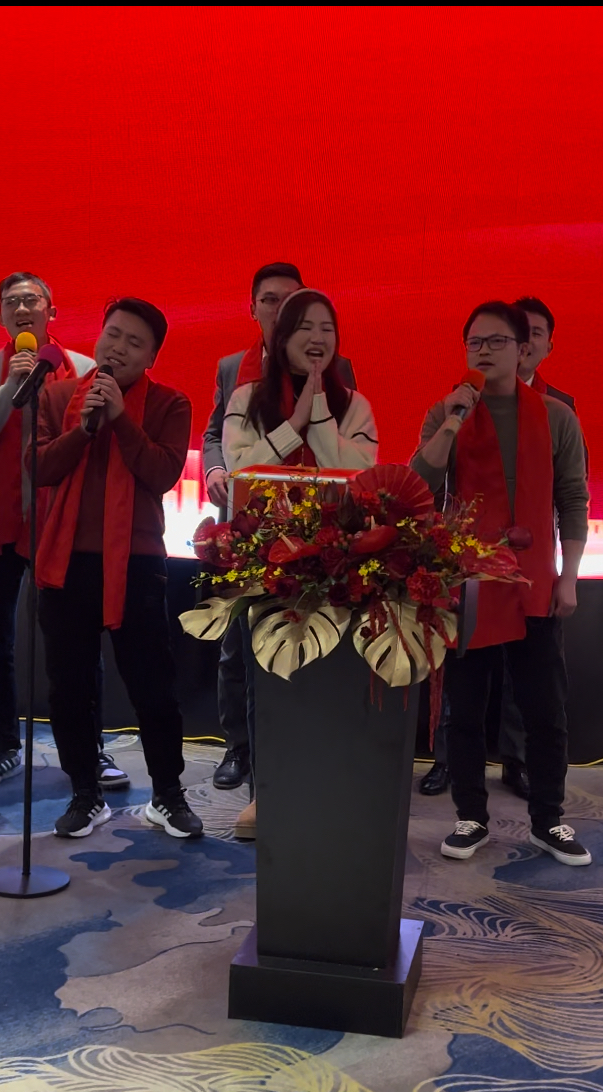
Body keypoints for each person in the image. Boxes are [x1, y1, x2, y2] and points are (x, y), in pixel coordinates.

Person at [411, 301, 590, 866]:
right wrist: (451, 423)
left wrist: (569, 576)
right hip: (470, 582)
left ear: (523, 349)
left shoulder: (557, 417)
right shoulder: (448, 410)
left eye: (497, 341)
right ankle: (470, 817)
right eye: (475, 342)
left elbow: (573, 499)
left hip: (535, 581)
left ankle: (548, 820)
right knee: (465, 710)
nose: (484, 351)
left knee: (545, 711)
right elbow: (418, 484)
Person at [32, 297, 203, 840]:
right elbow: (38, 468)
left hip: (137, 561)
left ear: (151, 356)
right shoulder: (57, 395)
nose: (119, 348)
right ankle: (86, 794)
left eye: (134, 342)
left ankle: (167, 795)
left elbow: (162, 473)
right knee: (70, 688)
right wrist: (84, 428)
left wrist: (121, 419)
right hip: (66, 562)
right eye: (113, 335)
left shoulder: (171, 403)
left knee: (153, 687)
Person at [0, 274, 129, 792]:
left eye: (31, 299)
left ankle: (89, 748)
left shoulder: (79, 365)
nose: (21, 308)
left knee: (75, 644)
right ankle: (2, 745)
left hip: (62, 523)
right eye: (10, 302)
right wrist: (12, 386)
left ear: (51, 311)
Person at [222, 288, 378, 839]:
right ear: (281, 336)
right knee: (265, 680)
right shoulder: (246, 398)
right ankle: (265, 793)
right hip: (265, 560)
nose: (317, 338)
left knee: (329, 678)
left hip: (337, 563)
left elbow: (360, 479)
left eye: (327, 328)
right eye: (305, 327)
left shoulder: (355, 405)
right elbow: (241, 470)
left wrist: (321, 417)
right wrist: (294, 423)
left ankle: (330, 787)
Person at [202, 264, 357, 793]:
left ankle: (300, 754)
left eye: (293, 301)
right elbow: (217, 433)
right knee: (238, 645)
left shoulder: (339, 369)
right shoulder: (233, 368)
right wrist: (216, 468)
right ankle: (239, 748)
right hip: (251, 524)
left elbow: (345, 451)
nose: (281, 310)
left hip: (315, 529)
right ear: (253, 308)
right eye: (270, 300)